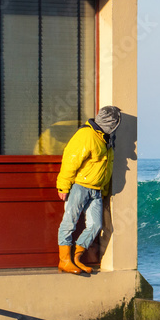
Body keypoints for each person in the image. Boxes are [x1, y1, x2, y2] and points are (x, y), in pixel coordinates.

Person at [55, 105, 121, 274]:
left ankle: (76, 258)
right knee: (69, 223)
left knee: (96, 225)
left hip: (96, 190)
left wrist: (104, 189)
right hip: (79, 187)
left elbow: (107, 166)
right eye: (115, 124)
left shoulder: (106, 138)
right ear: (110, 123)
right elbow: (71, 160)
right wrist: (63, 185)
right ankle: (64, 260)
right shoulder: (87, 135)